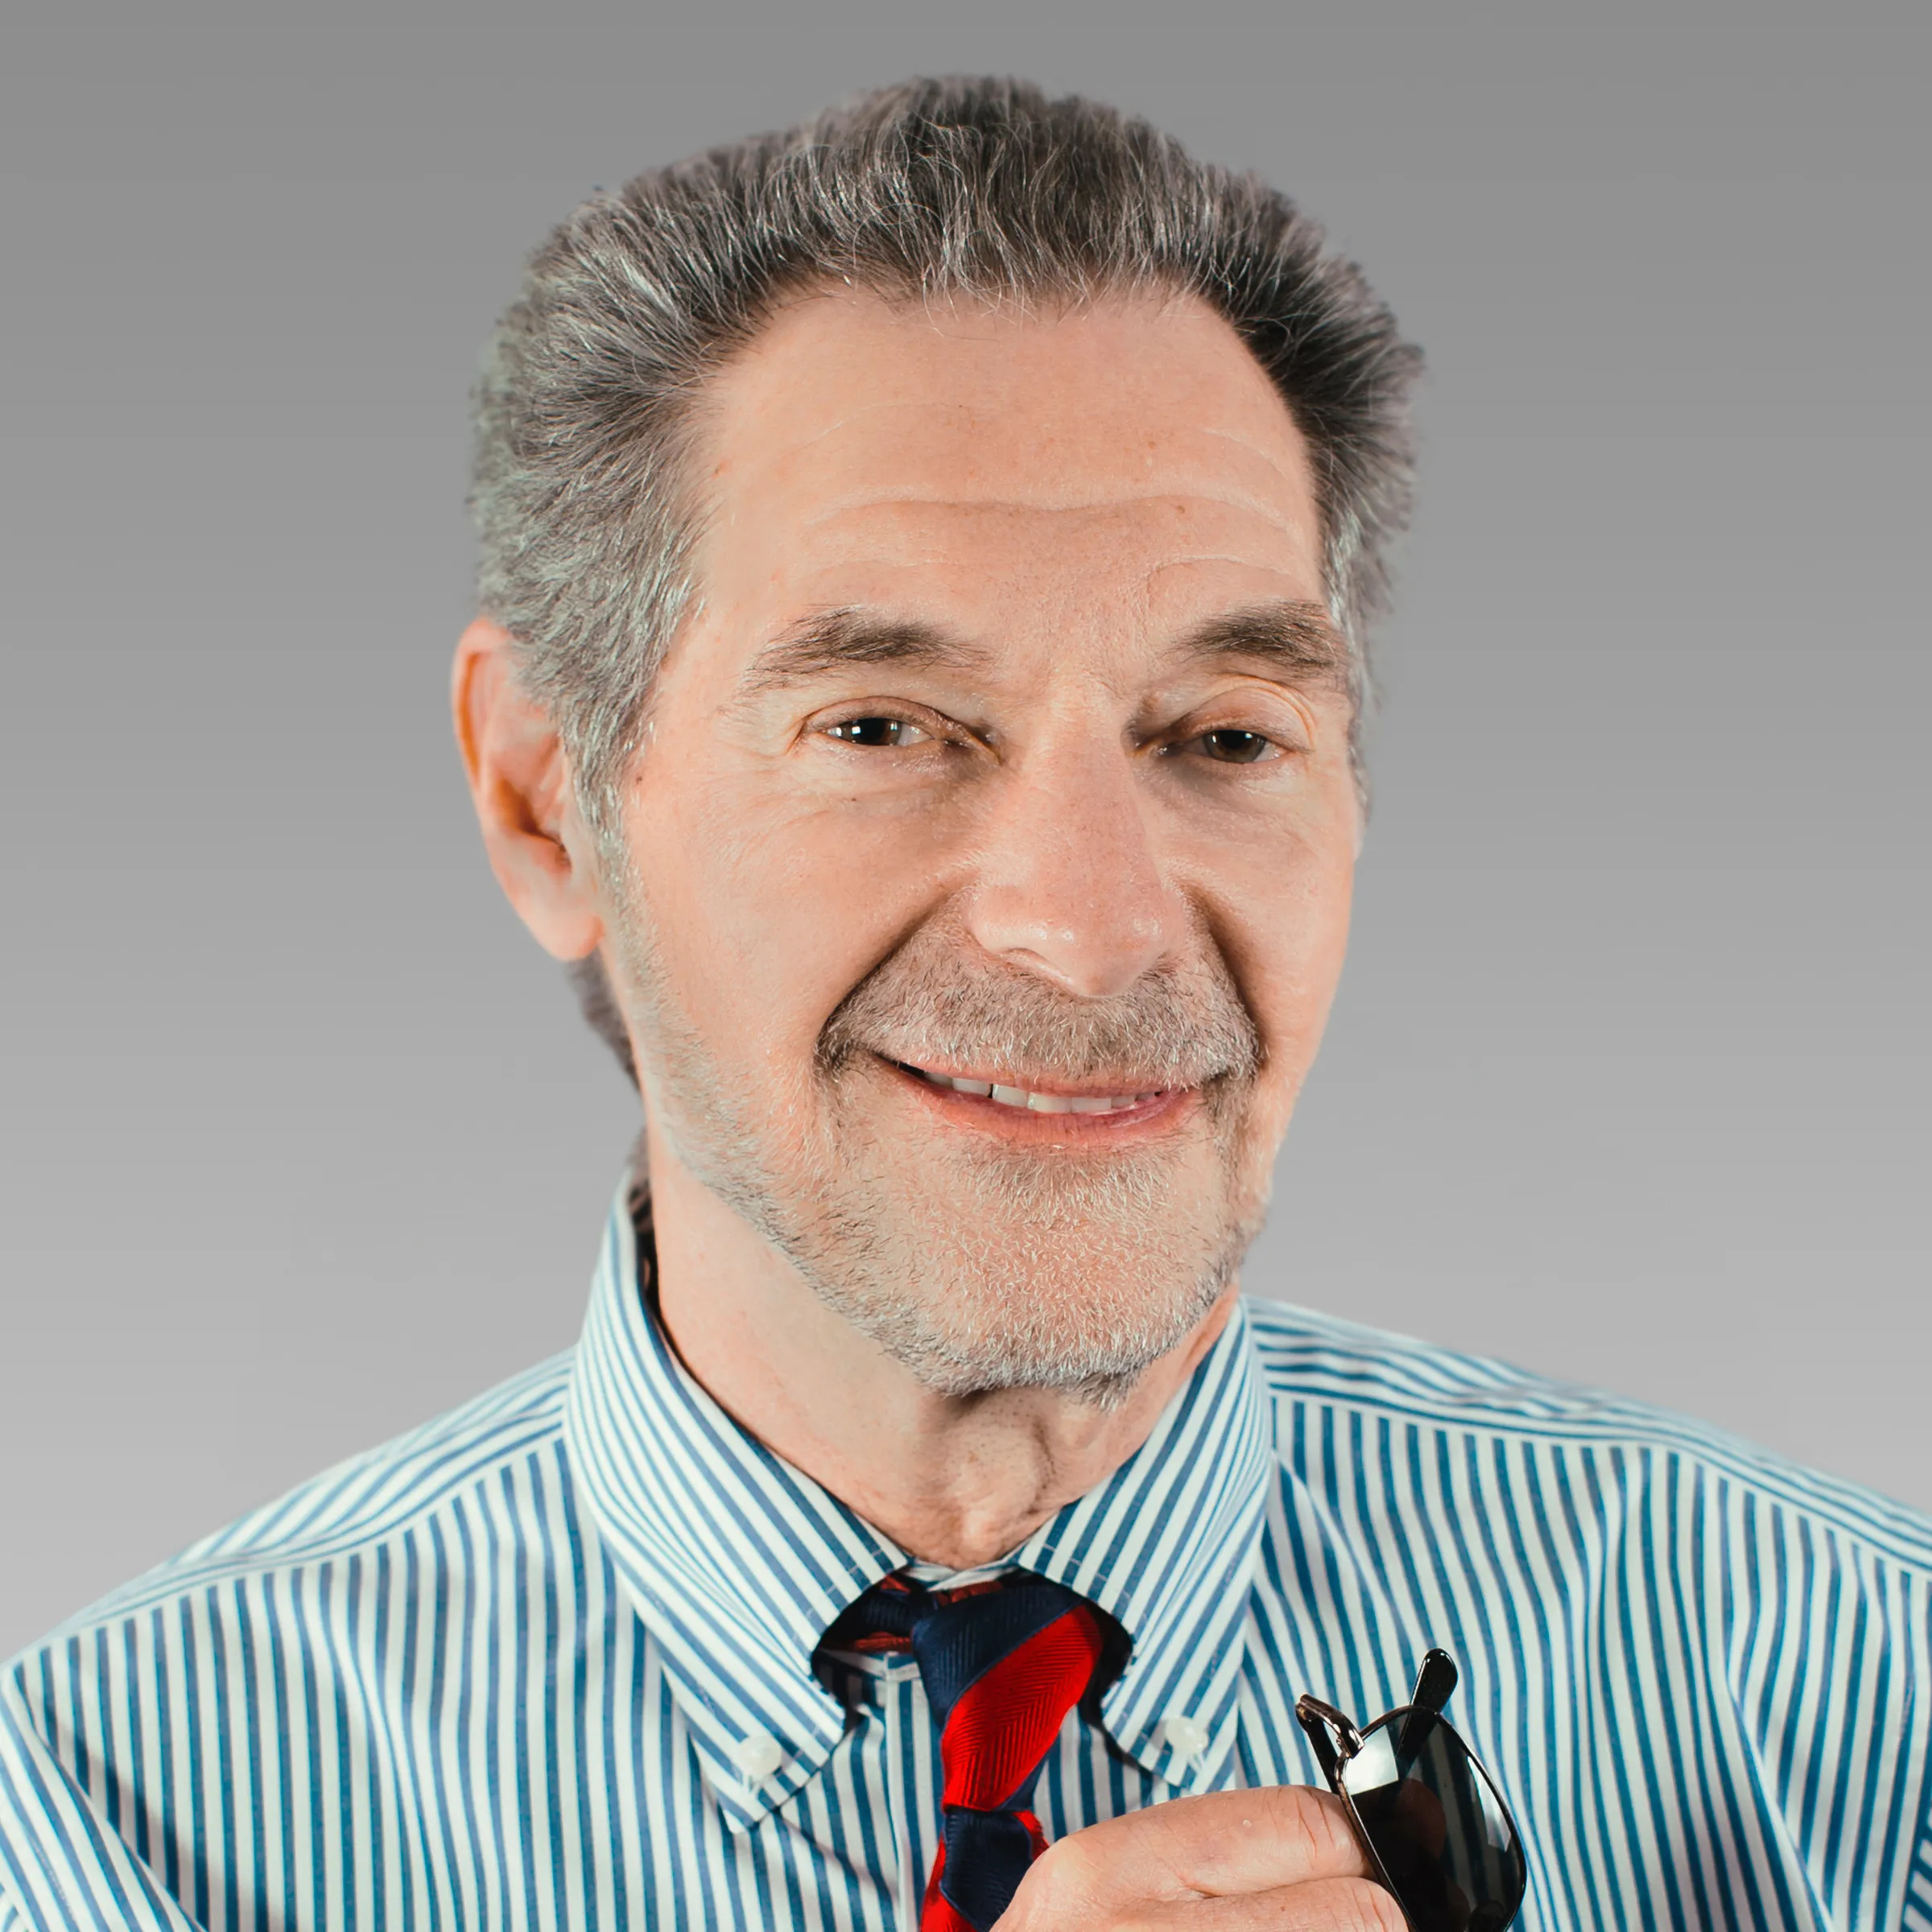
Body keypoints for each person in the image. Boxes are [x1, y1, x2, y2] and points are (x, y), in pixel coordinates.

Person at [2, 76, 1926, 1932]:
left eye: (1224, 734)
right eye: (882, 727)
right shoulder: (103, 1818)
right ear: (543, 799)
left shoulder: (1855, 1689)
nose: (1089, 932)